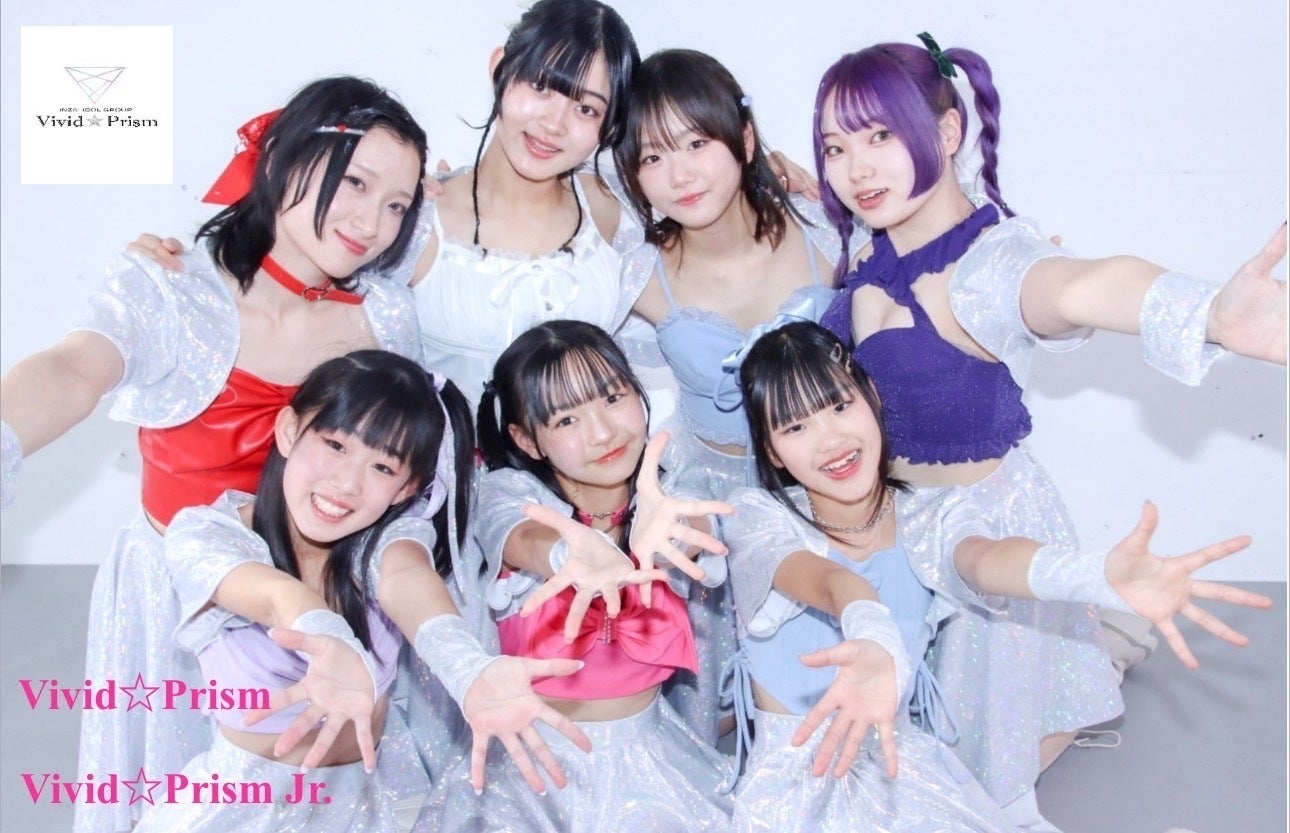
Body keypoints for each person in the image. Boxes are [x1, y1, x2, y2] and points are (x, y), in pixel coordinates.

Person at [810, 34, 1287, 829]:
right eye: (835, 146)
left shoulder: (991, 263)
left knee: (957, 783)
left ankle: (1098, 637)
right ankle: (1101, 631)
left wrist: (1207, 313)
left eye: (881, 135)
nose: (856, 168)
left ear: (948, 131)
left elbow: (1077, 286)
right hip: (887, 536)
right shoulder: (870, 248)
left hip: (985, 538)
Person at [0, 76, 428, 833]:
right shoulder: (174, 287)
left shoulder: (387, 315)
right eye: (355, 182)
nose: (372, 222)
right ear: (284, 158)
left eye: (397, 204)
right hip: (176, 594)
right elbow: (75, 368)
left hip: (316, 597)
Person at [720, 321, 1270, 833]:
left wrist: (1094, 574)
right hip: (795, 789)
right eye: (796, 426)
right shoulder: (756, 518)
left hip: (901, 771)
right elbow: (828, 580)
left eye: (840, 406)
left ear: (873, 397)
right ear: (773, 452)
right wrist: (869, 627)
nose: (830, 440)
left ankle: (1116, 643)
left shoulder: (931, 513)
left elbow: (985, 559)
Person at [133, 349, 589, 832]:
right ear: (289, 430)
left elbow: (406, 579)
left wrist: (467, 666)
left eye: (383, 468)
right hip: (238, 811)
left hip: (361, 815)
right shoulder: (206, 533)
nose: (347, 483)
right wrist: (327, 635)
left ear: (406, 489)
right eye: (336, 445)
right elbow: (272, 595)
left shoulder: (390, 540)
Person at [610, 47, 845, 743]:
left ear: (744, 138)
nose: (679, 175)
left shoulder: (827, 233)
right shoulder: (636, 274)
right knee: (699, 714)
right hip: (707, 506)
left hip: (822, 498)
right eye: (652, 157)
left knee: (817, 707)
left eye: (696, 143)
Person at [416, 320, 733, 832]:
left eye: (613, 398)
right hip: (526, 777)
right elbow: (517, 534)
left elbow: (696, 526)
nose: (603, 433)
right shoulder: (510, 494)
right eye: (566, 419)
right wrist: (568, 553)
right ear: (527, 440)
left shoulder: (679, 485)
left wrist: (670, 534)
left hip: (654, 768)